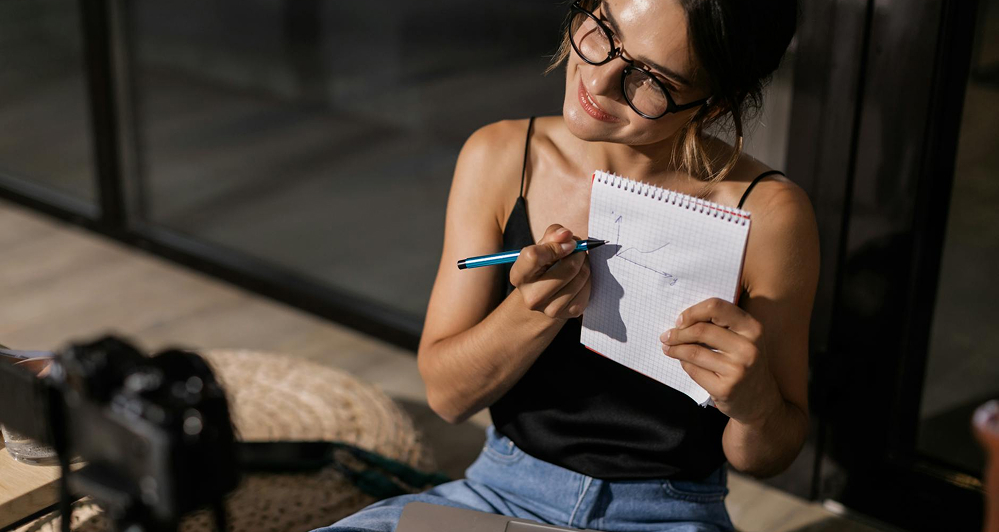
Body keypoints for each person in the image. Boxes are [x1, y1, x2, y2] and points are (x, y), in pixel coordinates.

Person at [312, 0, 816, 530]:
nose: (599, 80)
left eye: (649, 77)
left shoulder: (765, 214)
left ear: (712, 107)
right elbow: (447, 397)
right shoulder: (503, 156)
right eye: (603, 32)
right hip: (498, 497)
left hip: (668, 516)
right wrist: (532, 312)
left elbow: (771, 451)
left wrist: (755, 404)